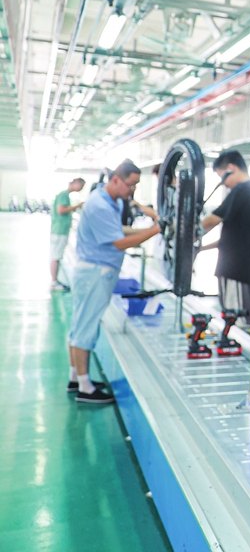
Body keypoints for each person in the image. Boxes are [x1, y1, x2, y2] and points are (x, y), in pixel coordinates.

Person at [69, 160, 163, 404]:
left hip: (94, 271)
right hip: (94, 273)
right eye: (130, 185)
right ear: (115, 180)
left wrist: (150, 227)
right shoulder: (99, 204)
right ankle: (86, 389)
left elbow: (118, 229)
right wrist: (155, 231)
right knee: (85, 328)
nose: (132, 190)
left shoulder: (110, 201)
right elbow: (118, 242)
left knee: (79, 324)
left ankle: (75, 377)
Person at [196, 150, 250, 358]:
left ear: (231, 169)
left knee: (238, 322)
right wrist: (200, 248)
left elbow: (209, 222)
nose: (224, 183)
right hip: (238, 268)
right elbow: (232, 238)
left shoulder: (244, 190)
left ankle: (244, 367)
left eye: (221, 177)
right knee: (232, 320)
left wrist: (182, 233)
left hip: (239, 270)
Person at [50, 177, 85, 290]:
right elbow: (61, 210)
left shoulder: (65, 195)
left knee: (57, 255)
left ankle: (55, 281)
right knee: (56, 255)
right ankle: (54, 282)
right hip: (59, 231)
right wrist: (77, 206)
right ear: (75, 183)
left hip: (61, 230)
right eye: (81, 186)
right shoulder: (64, 194)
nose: (81, 189)